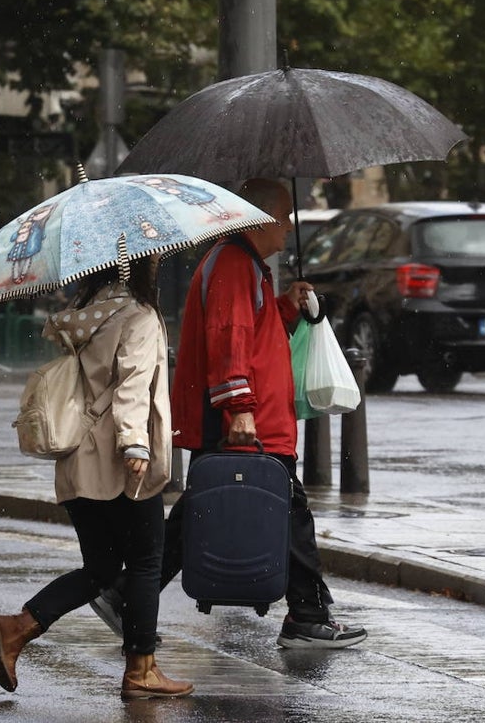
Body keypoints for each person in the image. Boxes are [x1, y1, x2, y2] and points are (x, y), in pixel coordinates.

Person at [90, 179, 366, 650]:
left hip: (254, 420)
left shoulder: (245, 264)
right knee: (287, 512)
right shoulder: (235, 264)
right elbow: (230, 337)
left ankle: (124, 595)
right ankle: (306, 614)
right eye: (285, 216)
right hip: (244, 423)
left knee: (204, 511)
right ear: (263, 218)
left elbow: (253, 333)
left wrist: (286, 307)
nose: (289, 227)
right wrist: (239, 408)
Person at [0, 254, 195, 701]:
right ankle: (141, 669)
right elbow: (134, 383)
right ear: (136, 265)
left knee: (100, 567)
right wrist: (136, 443)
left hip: (80, 458)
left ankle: (17, 627)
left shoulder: (87, 310)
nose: (157, 266)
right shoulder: (138, 315)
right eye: (151, 260)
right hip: (120, 461)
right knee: (144, 561)